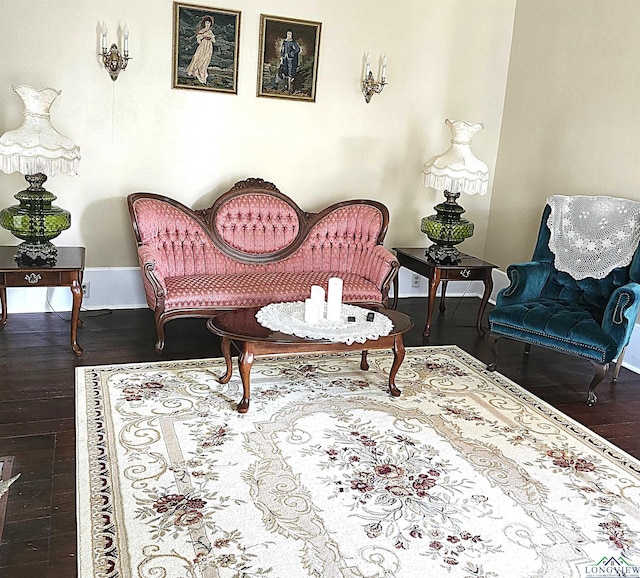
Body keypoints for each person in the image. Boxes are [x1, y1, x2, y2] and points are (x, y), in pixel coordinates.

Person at [186, 15, 215, 84]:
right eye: (206, 22)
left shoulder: (210, 31)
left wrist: (209, 38)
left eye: (209, 23)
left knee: (205, 60)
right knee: (198, 58)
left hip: (208, 46)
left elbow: (213, 40)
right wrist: (202, 38)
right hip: (203, 45)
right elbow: (198, 39)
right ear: (204, 23)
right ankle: (197, 73)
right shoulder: (202, 30)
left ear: (210, 24)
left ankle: (203, 76)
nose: (207, 24)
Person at [279, 29, 301, 93]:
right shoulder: (284, 42)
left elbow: (297, 49)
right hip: (285, 59)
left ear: (292, 35)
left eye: (290, 34)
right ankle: (285, 86)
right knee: (284, 71)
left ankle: (290, 87)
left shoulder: (293, 42)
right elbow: (282, 50)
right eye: (288, 34)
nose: (289, 35)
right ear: (286, 34)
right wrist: (282, 56)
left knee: (290, 72)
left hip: (291, 59)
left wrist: (292, 53)